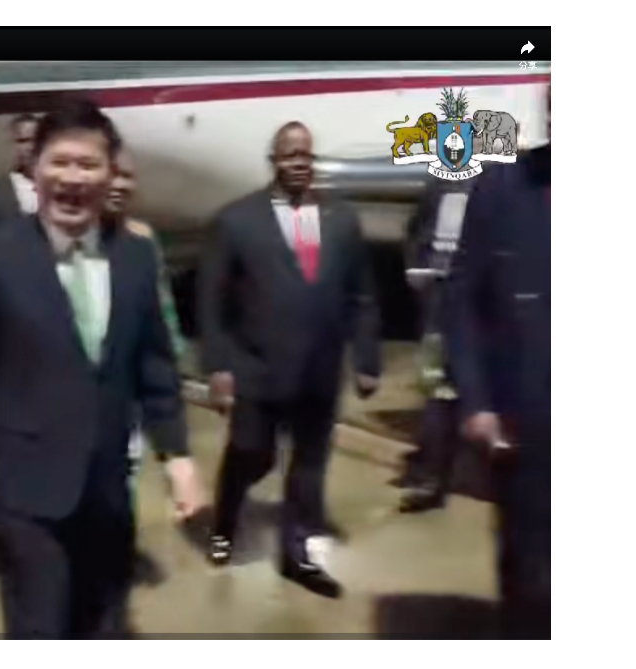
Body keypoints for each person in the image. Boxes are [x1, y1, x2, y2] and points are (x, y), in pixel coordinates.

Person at [0, 100, 204, 638]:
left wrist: (178, 457)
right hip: (24, 487)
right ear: (33, 168)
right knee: (41, 629)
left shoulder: (135, 255)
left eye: (88, 164)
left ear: (110, 174)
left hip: (106, 486)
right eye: (59, 162)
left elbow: (154, 365)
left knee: (104, 625)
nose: (72, 177)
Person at [198, 121, 381, 598]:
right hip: (257, 370)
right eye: (289, 155)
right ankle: (224, 521)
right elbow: (212, 302)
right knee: (251, 455)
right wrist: (218, 366)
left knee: (308, 466)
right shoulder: (237, 221)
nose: (299, 163)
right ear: (273, 162)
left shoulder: (341, 220)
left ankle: (295, 553)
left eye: (305, 155)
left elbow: (361, 295)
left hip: (319, 371)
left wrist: (366, 358)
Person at [443, 89, 550, 639]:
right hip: (524, 422)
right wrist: (477, 400)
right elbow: (461, 301)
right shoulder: (502, 189)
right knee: (530, 575)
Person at [102, 149, 188, 484]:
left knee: (124, 475)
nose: (120, 184)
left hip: (128, 390)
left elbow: (161, 307)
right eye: (113, 174)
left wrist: (171, 357)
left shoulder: (142, 240)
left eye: (127, 176)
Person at [397, 176, 477, 513]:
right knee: (437, 387)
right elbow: (416, 230)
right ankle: (431, 475)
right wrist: (416, 270)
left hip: (482, 301)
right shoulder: (439, 186)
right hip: (439, 300)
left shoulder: (500, 188)